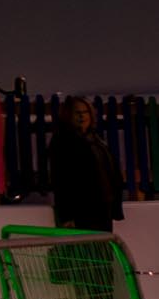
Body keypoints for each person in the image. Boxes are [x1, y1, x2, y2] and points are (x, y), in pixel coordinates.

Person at [50, 95, 123, 232]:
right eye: (77, 113)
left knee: (102, 249)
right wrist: (66, 216)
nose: (82, 116)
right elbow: (60, 180)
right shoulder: (63, 141)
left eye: (85, 112)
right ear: (68, 115)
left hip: (102, 208)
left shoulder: (96, 140)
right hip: (81, 210)